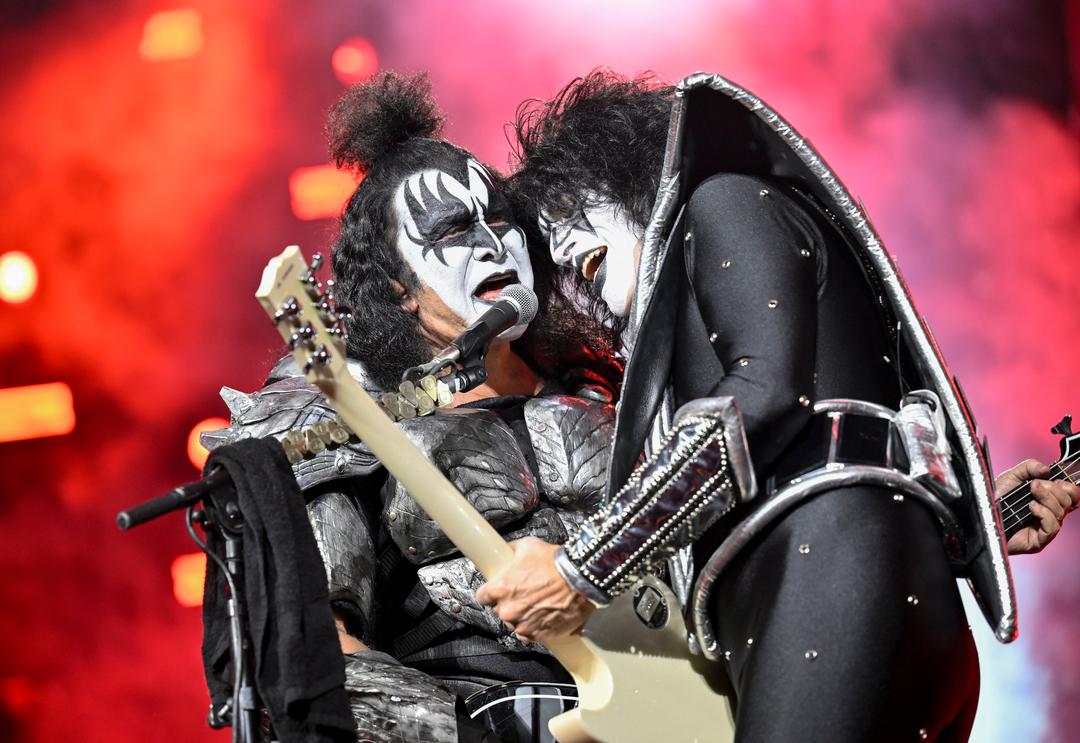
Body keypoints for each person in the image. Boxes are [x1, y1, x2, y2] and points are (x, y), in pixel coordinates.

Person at [477, 71, 1080, 742]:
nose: (563, 252)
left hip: (832, 593)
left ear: (628, 173)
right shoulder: (693, 301)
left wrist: (580, 567)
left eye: (568, 206)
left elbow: (762, 400)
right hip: (855, 601)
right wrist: (977, 523)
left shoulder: (724, 200)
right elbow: (839, 445)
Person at [206, 71, 621, 742]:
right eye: (455, 231)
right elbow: (313, 645)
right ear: (398, 286)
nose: (493, 244)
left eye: (503, 221)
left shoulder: (606, 382)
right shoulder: (343, 409)